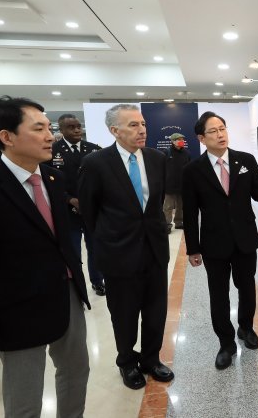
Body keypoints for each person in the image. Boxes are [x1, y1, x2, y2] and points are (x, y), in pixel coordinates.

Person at [182, 111, 258, 370]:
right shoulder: (192, 170)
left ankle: (246, 328)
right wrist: (193, 248)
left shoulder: (244, 160)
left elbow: (257, 192)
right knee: (218, 295)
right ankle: (225, 343)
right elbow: (190, 213)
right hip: (213, 244)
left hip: (244, 239)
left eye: (223, 128)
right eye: (214, 131)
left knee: (247, 288)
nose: (221, 134)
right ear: (201, 138)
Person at [0, 96, 90, 417]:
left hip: (66, 291)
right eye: (38, 129)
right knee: (24, 394)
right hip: (16, 305)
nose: (50, 136)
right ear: (6, 137)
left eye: (48, 128)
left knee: (76, 371)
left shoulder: (53, 178)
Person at [78, 104, 174, 390]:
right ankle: (127, 362)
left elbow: (155, 206)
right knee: (124, 313)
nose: (142, 129)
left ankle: (151, 359)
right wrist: (109, 242)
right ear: (114, 131)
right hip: (118, 253)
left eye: (142, 123)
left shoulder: (157, 158)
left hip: (154, 249)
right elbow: (89, 212)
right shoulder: (96, 163)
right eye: (133, 125)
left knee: (156, 310)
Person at [47, 114, 105, 296]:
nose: (77, 130)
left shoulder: (94, 150)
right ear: (61, 130)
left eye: (78, 126)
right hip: (66, 211)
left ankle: (97, 281)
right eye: (71, 127)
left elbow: (102, 180)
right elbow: (48, 182)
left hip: (92, 210)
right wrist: (69, 199)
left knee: (95, 248)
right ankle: (76, 284)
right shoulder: (51, 151)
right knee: (73, 250)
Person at [162, 132, 191, 233]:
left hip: (182, 184)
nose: (181, 141)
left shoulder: (186, 153)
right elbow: (161, 168)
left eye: (182, 139)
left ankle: (179, 223)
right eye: (179, 139)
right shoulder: (166, 152)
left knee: (181, 206)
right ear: (173, 141)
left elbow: (189, 168)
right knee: (168, 207)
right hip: (169, 185)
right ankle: (167, 225)